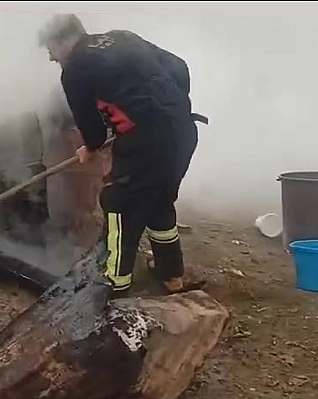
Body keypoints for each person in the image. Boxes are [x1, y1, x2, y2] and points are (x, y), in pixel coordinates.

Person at [37, 14, 200, 297]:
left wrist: (90, 146)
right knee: (159, 201)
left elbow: (93, 131)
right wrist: (168, 109)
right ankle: (170, 274)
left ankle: (114, 283)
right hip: (183, 132)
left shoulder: (75, 68)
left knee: (119, 206)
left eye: (51, 49)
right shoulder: (122, 37)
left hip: (146, 143)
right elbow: (178, 68)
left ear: (64, 41)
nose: (51, 58)